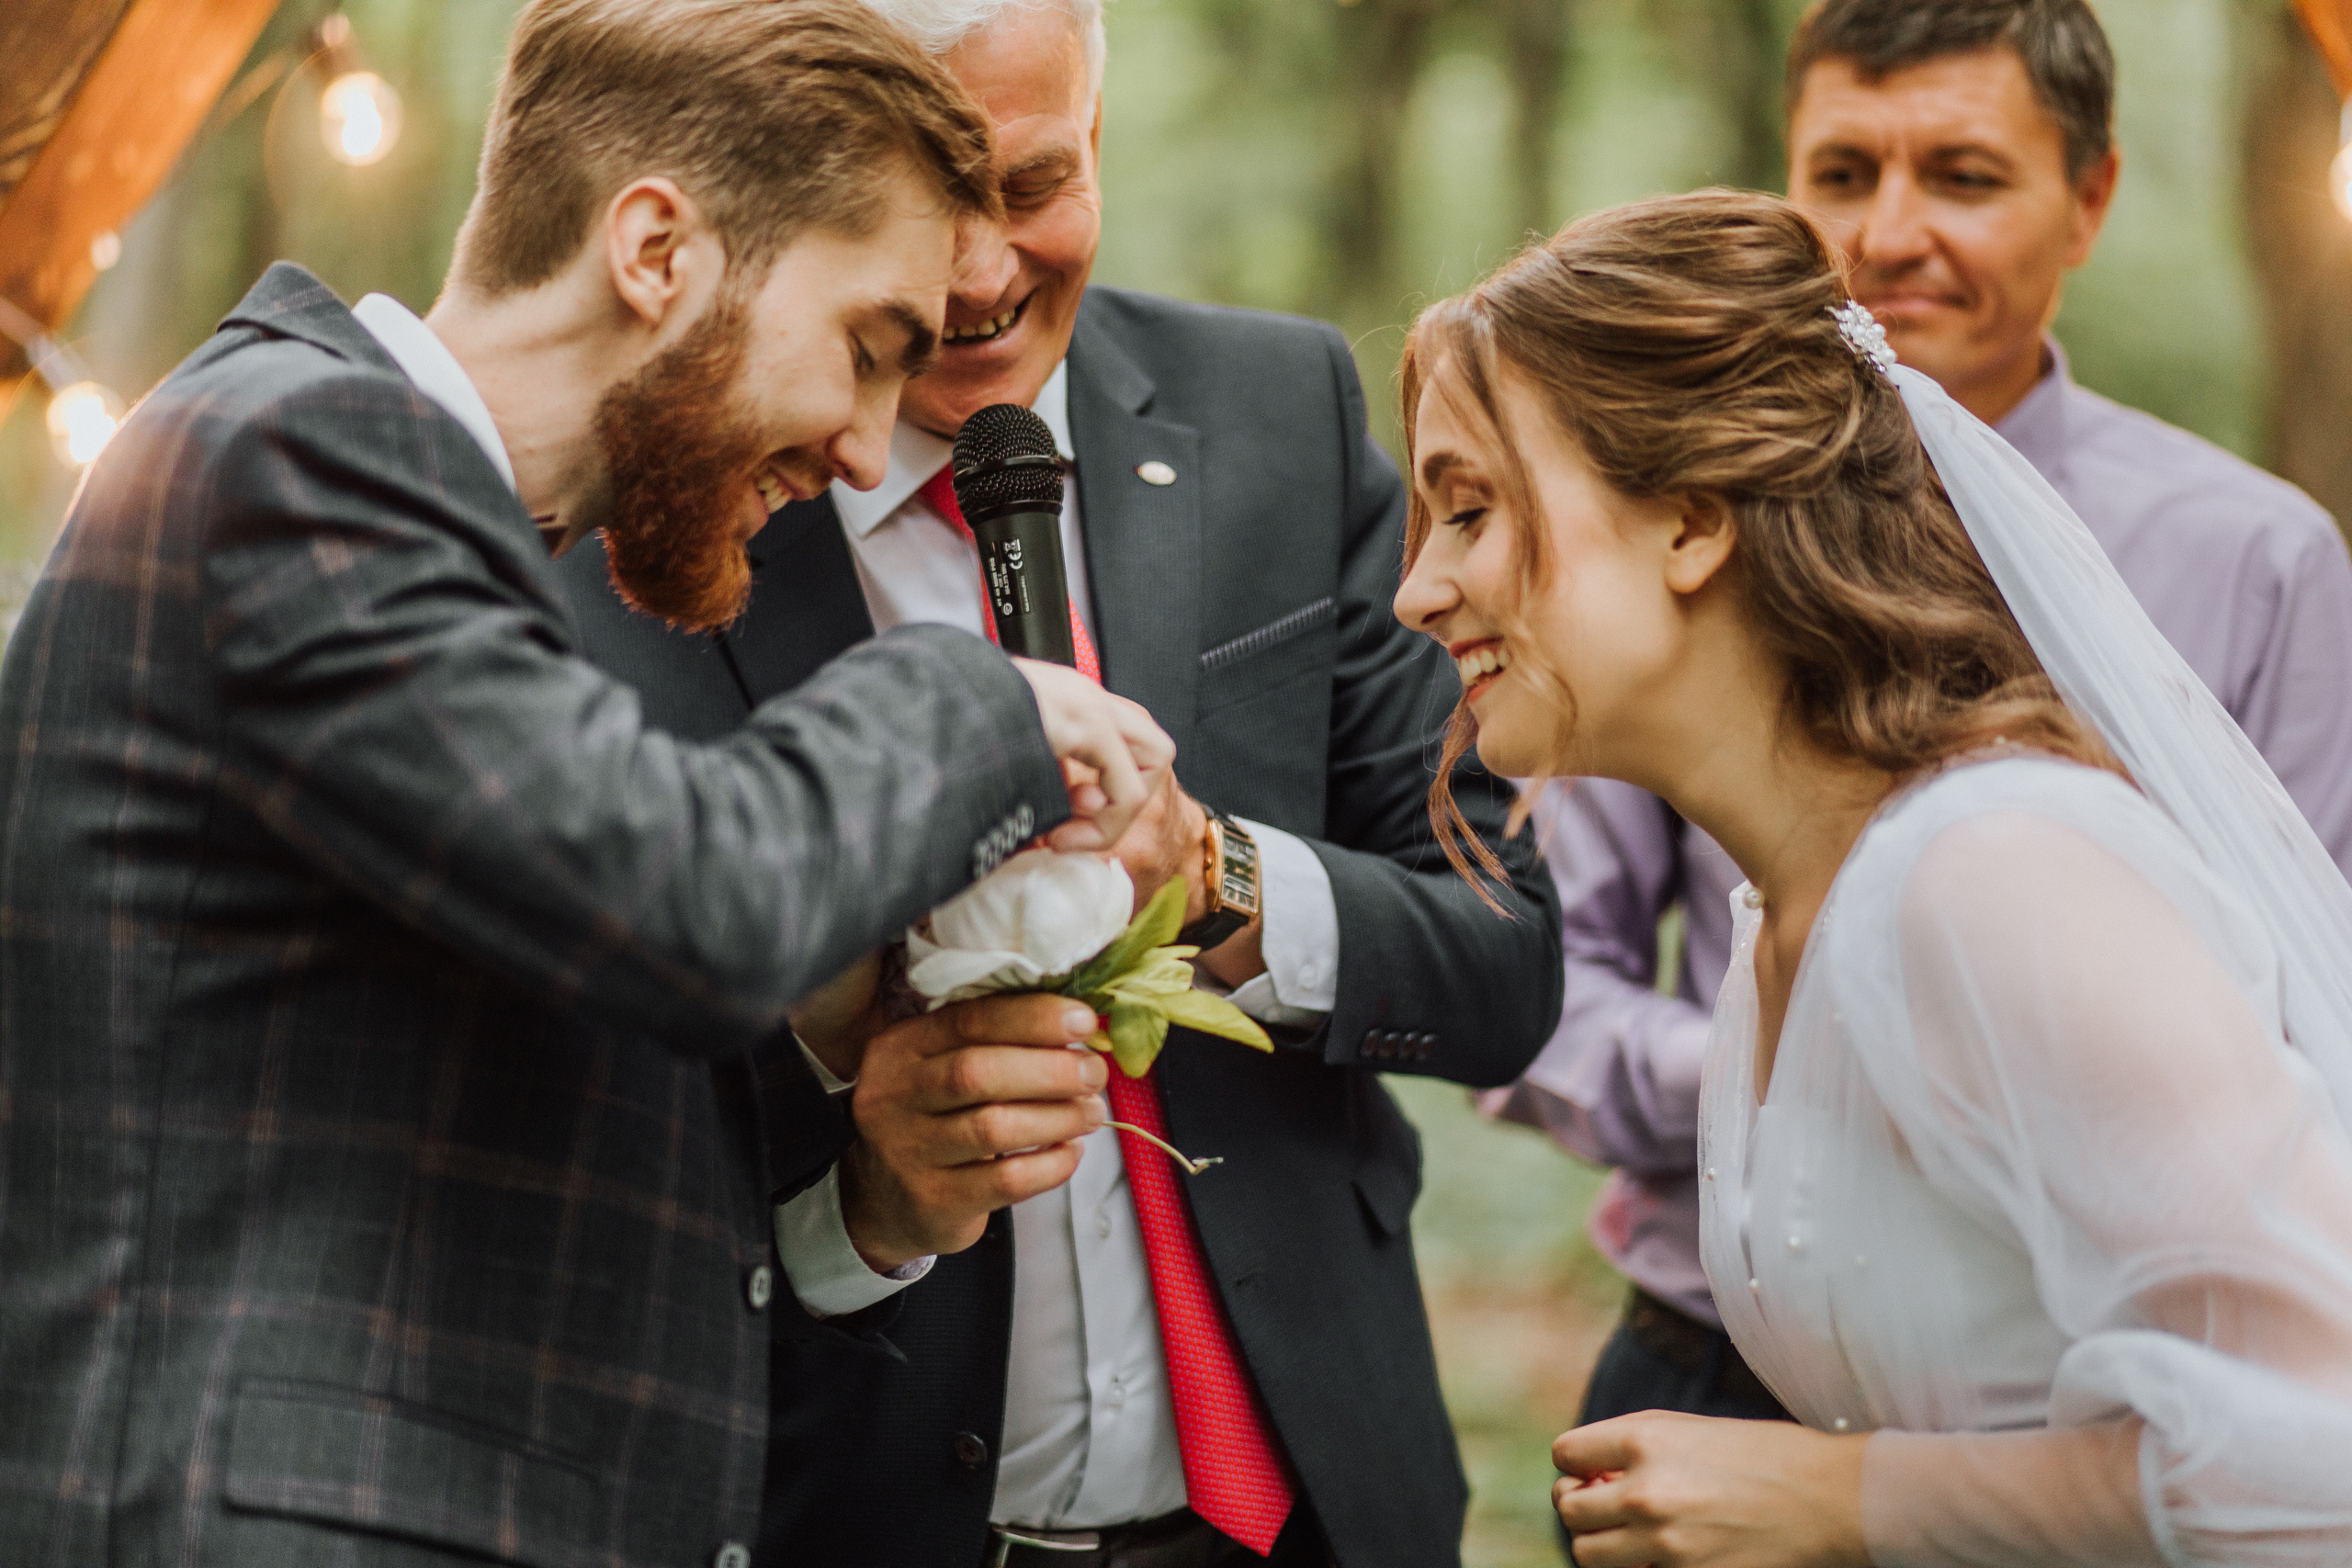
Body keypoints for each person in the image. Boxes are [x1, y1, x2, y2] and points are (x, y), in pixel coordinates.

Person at [0, 4, 1179, 1564]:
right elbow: (690, 906)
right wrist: (982, 693)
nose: (863, 448)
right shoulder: (295, 451)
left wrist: (873, 1188)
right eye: (867, 347)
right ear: (656, 252)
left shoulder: (449, 555)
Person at [556, 1, 1563, 1562]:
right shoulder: (651, 534)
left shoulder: (1283, 412)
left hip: (1318, 1513)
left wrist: (1215, 872)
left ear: (1098, 134)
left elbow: (1503, 959)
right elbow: (594, 1167)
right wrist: (860, 1196)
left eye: (1031, 186)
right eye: (921, 198)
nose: (978, 273)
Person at [1396, 187, 2352, 1567]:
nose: (1418, 591)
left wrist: (1844, 1502)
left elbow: (2324, 1450)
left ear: (1691, 524)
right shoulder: (1784, 913)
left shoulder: (2000, 881)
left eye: (1471, 510)